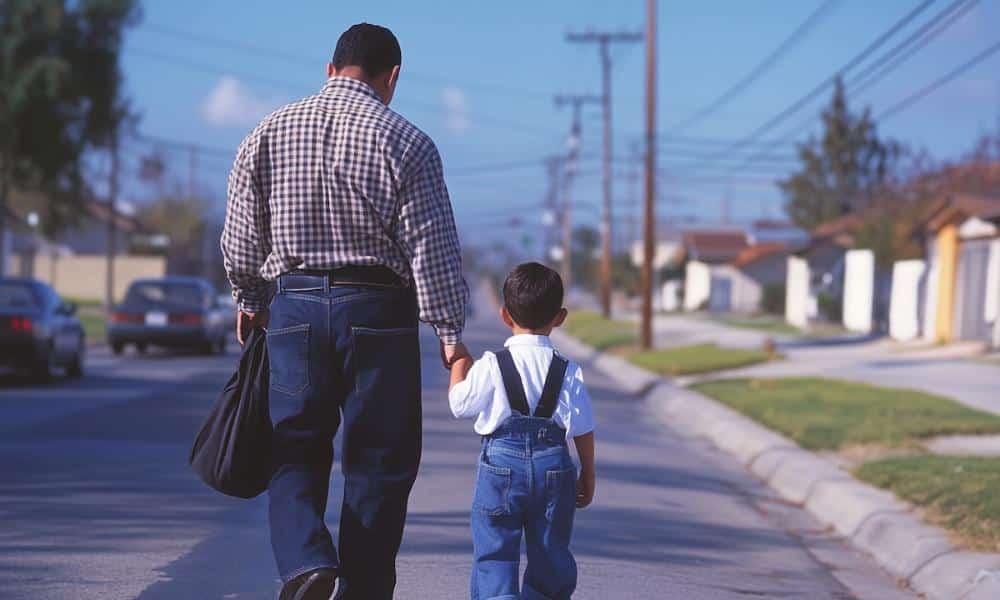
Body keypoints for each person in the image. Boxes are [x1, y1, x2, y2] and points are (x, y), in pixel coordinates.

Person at [221, 23, 469, 600]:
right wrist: (451, 334)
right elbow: (432, 248)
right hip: (379, 310)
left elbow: (238, 239)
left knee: (294, 442)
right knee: (380, 459)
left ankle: (308, 562)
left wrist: (250, 298)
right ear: (393, 77)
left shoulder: (267, 131)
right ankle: (365, 587)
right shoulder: (409, 142)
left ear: (331, 69)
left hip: (295, 306)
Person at [448, 262, 596, 600]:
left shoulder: (490, 365)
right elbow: (582, 426)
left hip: (500, 465)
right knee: (550, 550)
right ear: (560, 317)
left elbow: (460, 405)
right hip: (554, 468)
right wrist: (587, 471)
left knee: (495, 550)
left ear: (504, 315)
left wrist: (459, 364)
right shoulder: (567, 370)